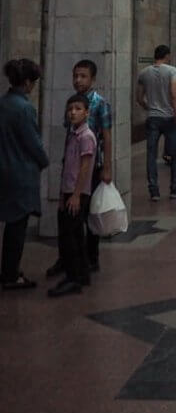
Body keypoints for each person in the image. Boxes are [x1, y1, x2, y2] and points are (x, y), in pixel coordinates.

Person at [46, 59, 112, 281]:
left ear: (93, 79)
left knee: (88, 213)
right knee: (66, 215)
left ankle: (90, 258)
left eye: (83, 76)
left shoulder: (100, 103)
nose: (78, 80)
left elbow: (107, 136)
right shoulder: (73, 103)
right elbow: (69, 134)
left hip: (92, 166)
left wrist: (107, 168)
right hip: (73, 165)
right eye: (75, 76)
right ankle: (66, 259)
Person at [0, 58, 48, 291]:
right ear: (27, 82)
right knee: (16, 228)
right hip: (20, 174)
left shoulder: (3, 103)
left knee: (10, 223)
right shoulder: (24, 107)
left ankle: (8, 270)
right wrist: (44, 160)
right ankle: (10, 274)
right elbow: (33, 143)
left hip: (4, 170)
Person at [48, 93, 98, 297]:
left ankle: (73, 278)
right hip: (68, 191)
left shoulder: (87, 136)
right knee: (75, 235)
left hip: (78, 193)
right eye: (70, 109)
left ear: (87, 112)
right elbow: (67, 166)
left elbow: (85, 168)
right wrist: (63, 195)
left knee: (69, 237)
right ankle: (82, 274)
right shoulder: (73, 134)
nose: (73, 112)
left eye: (78, 109)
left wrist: (77, 195)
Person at [137, 45, 176, 201]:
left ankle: (154, 191)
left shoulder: (144, 73)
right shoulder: (172, 71)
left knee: (151, 155)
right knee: (175, 154)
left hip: (153, 118)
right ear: (167, 56)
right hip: (169, 117)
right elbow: (174, 95)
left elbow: (139, 97)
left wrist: (149, 107)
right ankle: (175, 189)